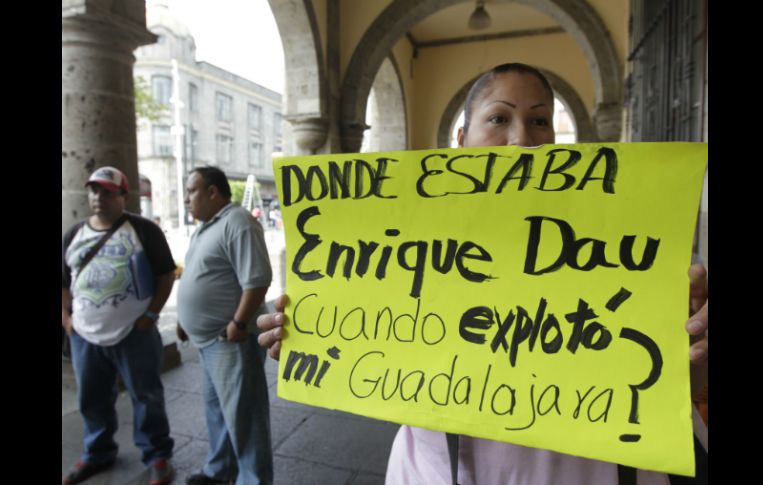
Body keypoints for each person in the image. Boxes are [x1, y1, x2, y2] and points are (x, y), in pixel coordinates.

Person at [257, 63, 709, 484]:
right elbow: (370, 347)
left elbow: (669, 386)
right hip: (439, 470)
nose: (521, 138)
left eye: (539, 121)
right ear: (462, 138)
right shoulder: (411, 241)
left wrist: (691, 348)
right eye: (498, 119)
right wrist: (309, 337)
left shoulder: (615, 243)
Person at [62, 166, 176, 485]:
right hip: (85, 335)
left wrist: (151, 315)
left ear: (124, 196)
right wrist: (67, 319)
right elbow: (63, 281)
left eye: (108, 192)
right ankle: (97, 453)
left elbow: (166, 274)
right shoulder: (74, 235)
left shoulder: (143, 230)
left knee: (146, 396)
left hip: (133, 333)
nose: (99, 198)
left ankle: (157, 455)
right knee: (92, 398)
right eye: (94, 191)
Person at [176, 166, 273, 485]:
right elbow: (197, 275)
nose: (187, 198)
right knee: (217, 411)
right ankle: (221, 471)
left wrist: (238, 322)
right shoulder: (205, 228)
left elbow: (257, 280)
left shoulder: (238, 222)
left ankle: (253, 480)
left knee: (245, 417)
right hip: (209, 340)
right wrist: (183, 319)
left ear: (213, 192)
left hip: (230, 340)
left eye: (192, 191)